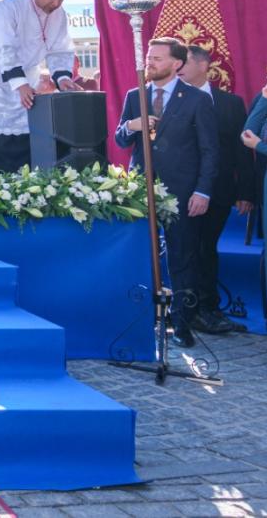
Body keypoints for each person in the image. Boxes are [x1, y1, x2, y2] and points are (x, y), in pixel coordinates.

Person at [115, 37, 218, 347]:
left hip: (183, 193)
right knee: (142, 256)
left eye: (157, 58)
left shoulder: (197, 100)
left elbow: (210, 151)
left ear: (177, 64)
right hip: (141, 192)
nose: (150, 62)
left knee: (181, 258)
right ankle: (141, 321)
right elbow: (120, 139)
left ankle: (182, 326)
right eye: (149, 56)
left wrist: (203, 191)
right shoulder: (136, 96)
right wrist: (132, 126)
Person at [0, 0, 79, 171]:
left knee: (26, 123)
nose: (56, 4)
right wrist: (20, 84)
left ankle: (23, 183)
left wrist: (62, 78)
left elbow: (60, 48)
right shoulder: (9, 6)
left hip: (25, 71)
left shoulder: (59, 15)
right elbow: (5, 47)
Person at [180, 46, 254, 335]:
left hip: (220, 189)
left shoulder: (230, 103)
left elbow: (241, 150)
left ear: (203, 66)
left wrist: (246, 191)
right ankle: (188, 308)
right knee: (188, 248)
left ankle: (207, 308)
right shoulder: (172, 98)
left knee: (206, 247)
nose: (178, 67)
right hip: (183, 189)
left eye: (184, 62)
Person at [241, 74, 267, 232]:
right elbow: (247, 134)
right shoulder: (264, 99)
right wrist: (264, 99)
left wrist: (259, 146)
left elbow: (255, 142)